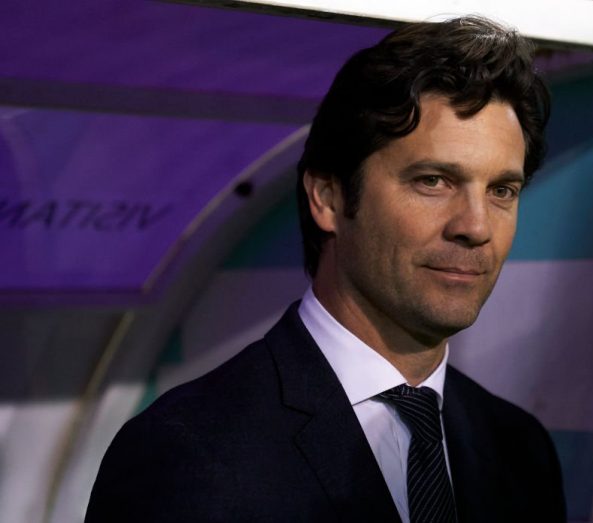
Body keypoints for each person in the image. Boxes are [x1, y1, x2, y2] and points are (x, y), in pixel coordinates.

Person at [86, 15, 566, 522]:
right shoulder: (188, 454)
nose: (476, 226)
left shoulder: (520, 449)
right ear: (328, 197)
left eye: (501, 191)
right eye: (433, 181)